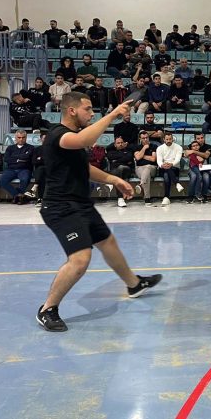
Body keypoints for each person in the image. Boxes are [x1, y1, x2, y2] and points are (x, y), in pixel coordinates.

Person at [35, 92, 162, 332]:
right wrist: (113, 115)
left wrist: (115, 179)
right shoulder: (59, 135)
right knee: (80, 259)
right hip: (60, 206)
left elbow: (84, 169)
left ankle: (134, 284)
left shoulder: (73, 140)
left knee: (107, 242)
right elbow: (84, 139)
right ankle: (47, 309)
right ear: (71, 110)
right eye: (88, 109)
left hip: (80, 203)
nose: (92, 114)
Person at [0, 130, 35, 204]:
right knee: (1, 181)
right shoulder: (10, 148)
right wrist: (22, 158)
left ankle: (17, 198)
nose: (21, 139)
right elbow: (6, 159)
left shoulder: (31, 148)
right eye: (19, 137)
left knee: (24, 179)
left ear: (26, 138)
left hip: (24, 169)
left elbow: (28, 159)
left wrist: (15, 158)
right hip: (11, 170)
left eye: (23, 137)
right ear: (15, 138)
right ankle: (18, 195)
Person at [105, 137, 136, 207]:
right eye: (118, 143)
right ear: (115, 145)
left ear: (124, 143)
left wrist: (116, 161)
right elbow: (110, 157)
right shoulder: (111, 152)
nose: (120, 144)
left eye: (122, 142)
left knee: (121, 168)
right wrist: (123, 159)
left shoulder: (128, 151)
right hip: (115, 171)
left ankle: (120, 197)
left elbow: (129, 157)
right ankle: (121, 197)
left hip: (126, 170)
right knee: (117, 172)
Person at [156, 132, 183, 206]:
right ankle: (177, 183)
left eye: (170, 139)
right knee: (166, 173)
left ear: (172, 139)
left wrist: (171, 164)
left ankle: (166, 197)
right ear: (164, 139)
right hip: (163, 168)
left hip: (174, 168)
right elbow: (159, 160)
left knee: (166, 175)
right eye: (167, 139)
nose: (168, 141)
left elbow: (178, 159)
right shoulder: (160, 148)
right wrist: (162, 165)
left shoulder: (178, 147)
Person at [133, 130, 158, 206]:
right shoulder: (136, 147)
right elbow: (137, 158)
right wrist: (144, 148)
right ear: (140, 139)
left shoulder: (154, 146)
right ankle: (147, 199)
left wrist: (142, 156)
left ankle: (141, 185)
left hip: (152, 168)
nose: (145, 139)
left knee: (148, 167)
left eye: (147, 137)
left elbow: (153, 159)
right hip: (139, 168)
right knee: (146, 175)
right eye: (143, 138)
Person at [183, 139, 209, 204]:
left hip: (201, 168)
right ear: (191, 148)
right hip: (193, 168)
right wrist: (199, 162)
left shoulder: (201, 153)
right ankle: (191, 196)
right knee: (195, 177)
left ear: (199, 146)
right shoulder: (191, 153)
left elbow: (204, 158)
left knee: (206, 177)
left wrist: (201, 160)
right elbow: (191, 158)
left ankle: (204, 195)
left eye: (197, 145)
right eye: (193, 146)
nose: (195, 147)